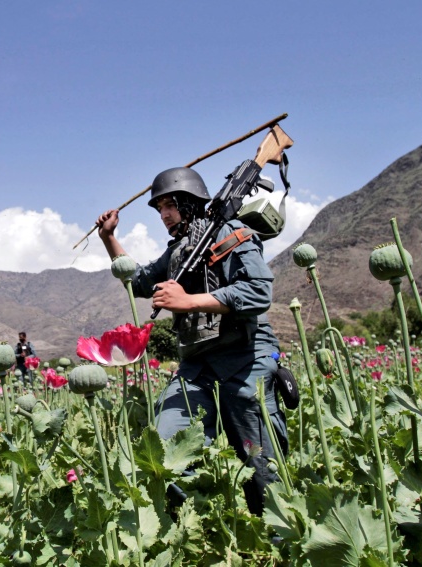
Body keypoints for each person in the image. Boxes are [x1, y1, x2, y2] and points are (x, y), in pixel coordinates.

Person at [95, 166, 287, 516]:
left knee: (262, 468)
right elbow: (138, 281)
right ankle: (200, 528)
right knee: (165, 453)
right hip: (197, 367)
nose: (164, 215)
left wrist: (188, 301)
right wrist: (109, 238)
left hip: (245, 359)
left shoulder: (233, 233)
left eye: (170, 205)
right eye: (159, 209)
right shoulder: (179, 252)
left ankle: (274, 543)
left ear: (190, 201)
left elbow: (259, 292)